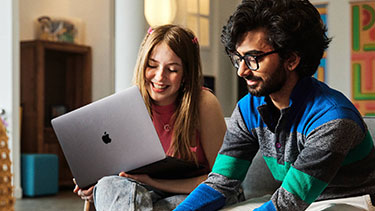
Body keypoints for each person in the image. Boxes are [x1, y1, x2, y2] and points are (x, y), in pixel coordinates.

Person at [174, 0, 375, 210]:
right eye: (238, 58)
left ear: (291, 59)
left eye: (253, 58)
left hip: (351, 202)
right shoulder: (248, 109)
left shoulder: (333, 119)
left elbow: (286, 204)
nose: (241, 71)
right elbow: (219, 184)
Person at [73, 24, 227, 211]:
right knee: (108, 185)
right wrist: (92, 187)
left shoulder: (204, 103)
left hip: (195, 191)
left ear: (186, 74)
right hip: (143, 191)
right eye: (152, 66)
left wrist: (154, 182)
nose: (160, 77)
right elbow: (120, 177)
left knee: (159, 206)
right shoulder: (128, 105)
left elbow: (222, 180)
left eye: (172, 69)